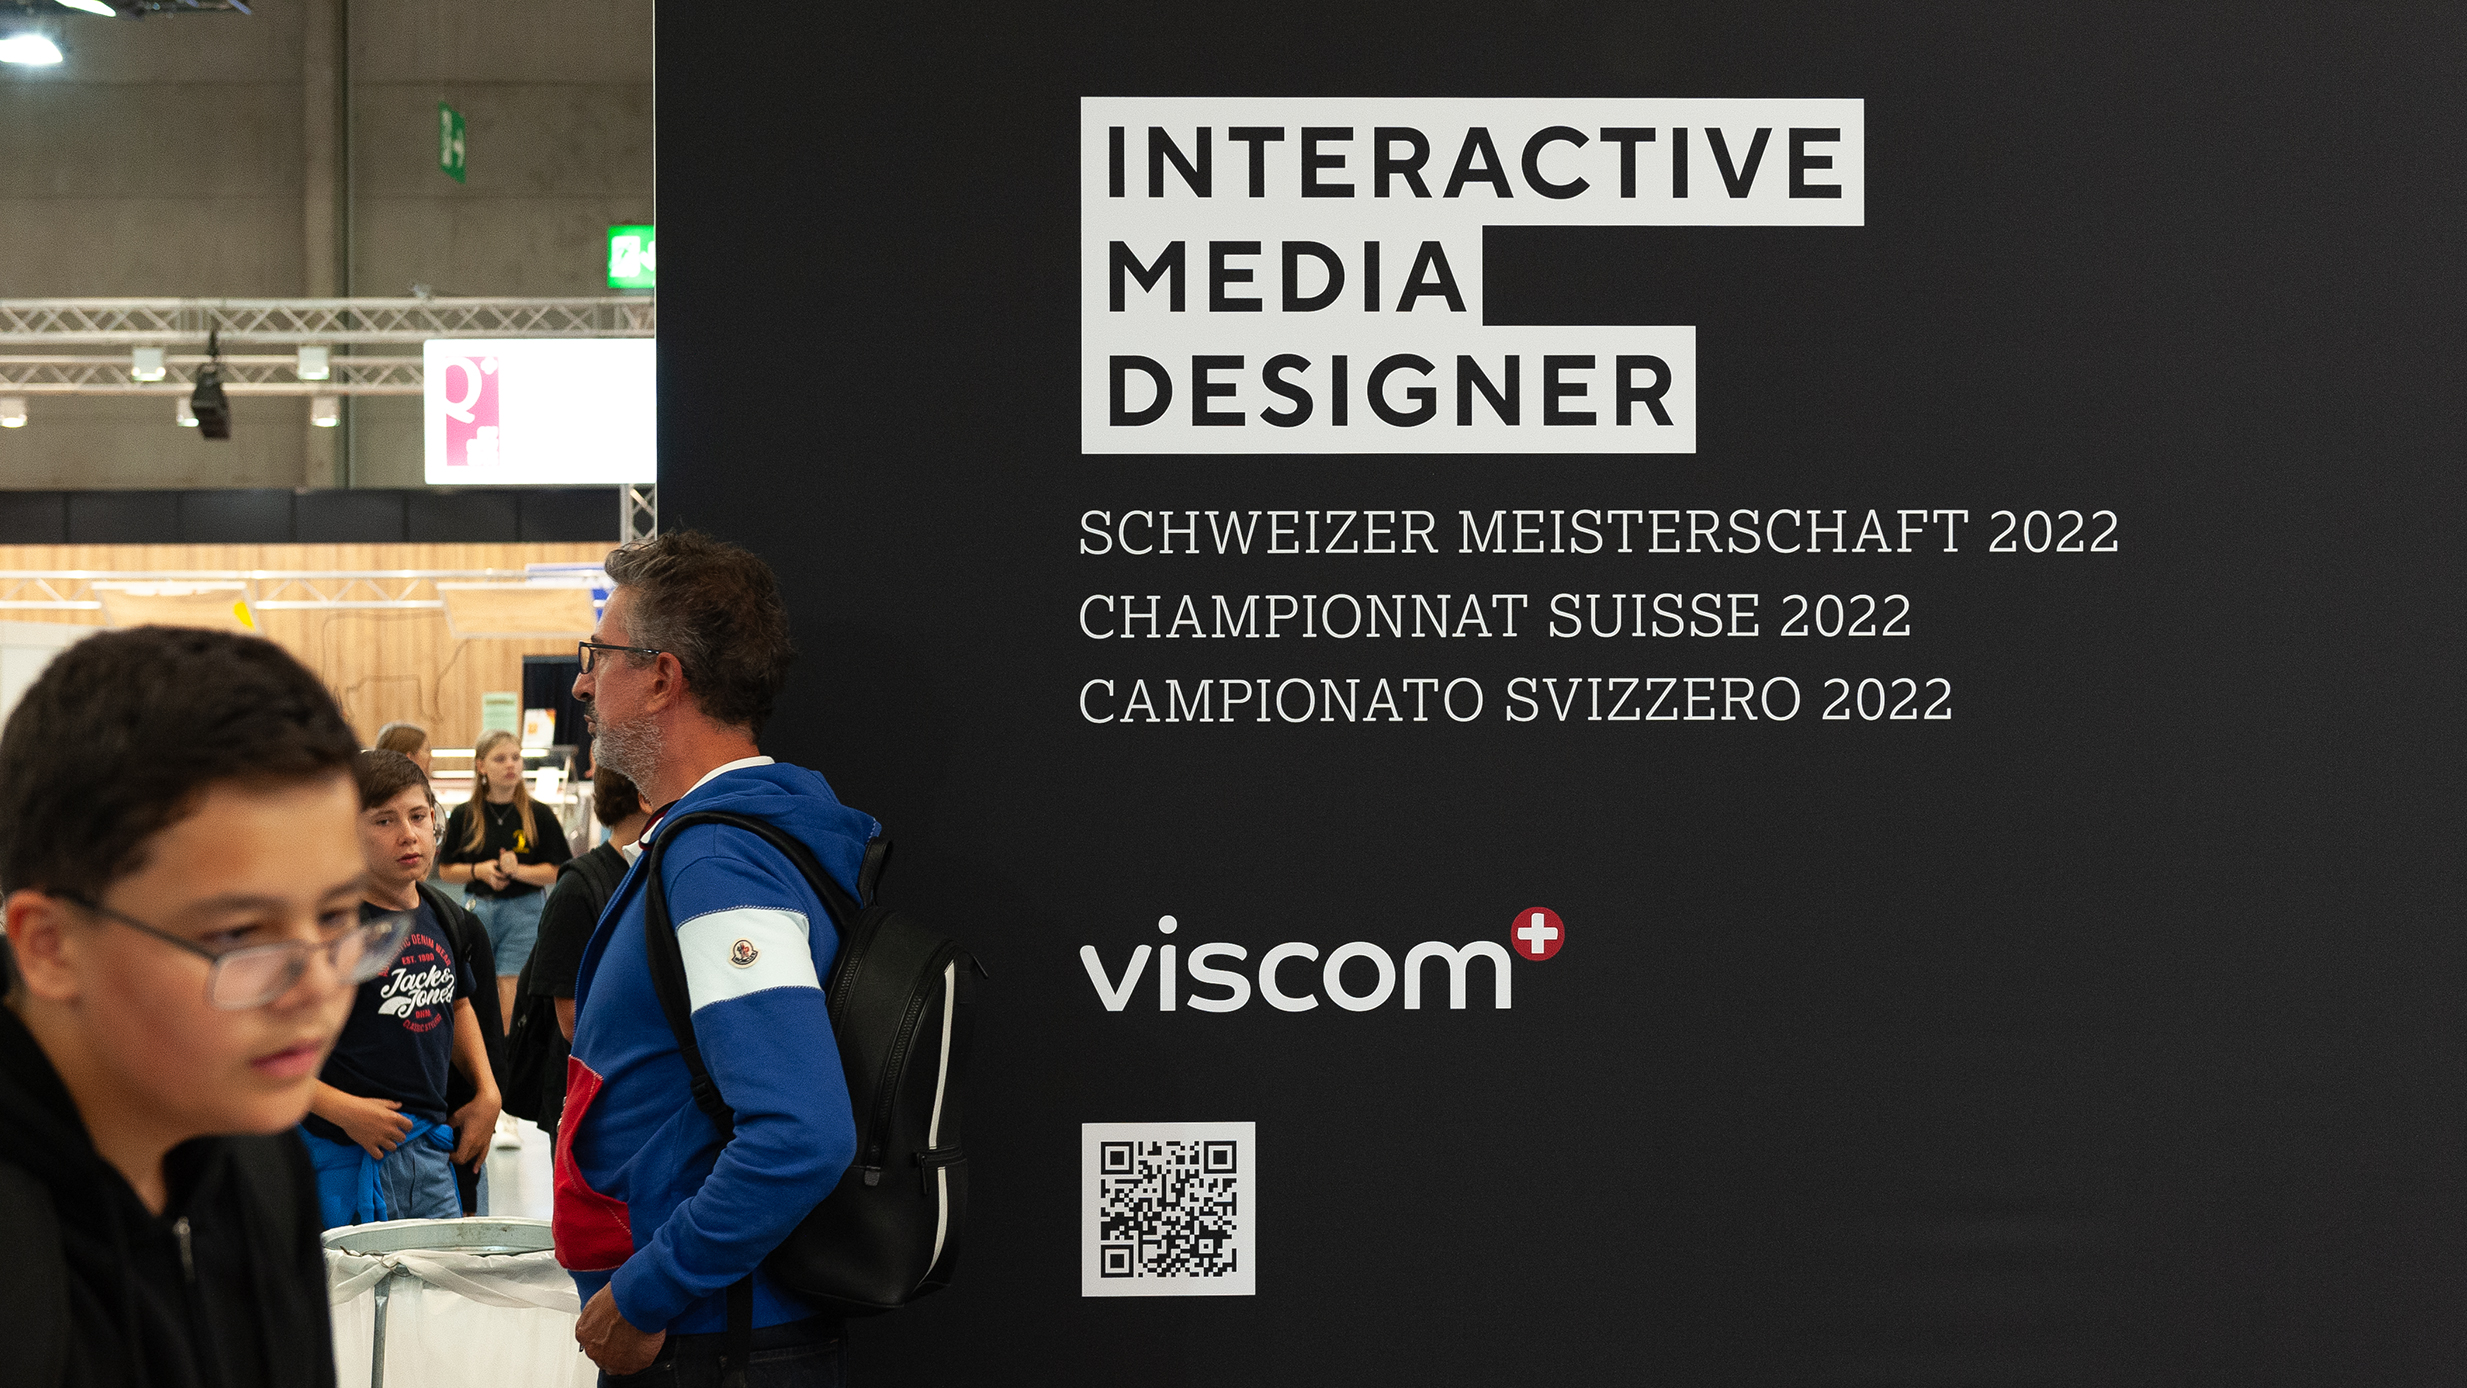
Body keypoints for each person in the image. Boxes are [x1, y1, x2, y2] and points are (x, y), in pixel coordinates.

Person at [0, 626, 371, 1387]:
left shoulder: (261, 1163)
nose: (317, 986)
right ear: (50, 946)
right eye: (238, 935)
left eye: (337, 917)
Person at [559, 532, 873, 1384]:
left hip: (713, 1342)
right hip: (719, 1332)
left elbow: (801, 1133)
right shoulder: (717, 845)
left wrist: (646, 1294)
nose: (583, 682)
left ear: (662, 677)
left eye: (598, 655)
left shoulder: (718, 863)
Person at [298, 750, 502, 1227]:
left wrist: (487, 1089)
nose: (408, 834)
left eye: (417, 816)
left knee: (440, 1275)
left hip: (429, 1156)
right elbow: (267, 1048)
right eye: (384, 821)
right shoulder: (330, 930)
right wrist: (343, 1110)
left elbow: (457, 1002)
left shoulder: (443, 916)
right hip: (347, 1155)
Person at [510, 766, 649, 1147]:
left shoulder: (655, 873)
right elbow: (571, 1020)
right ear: (644, 798)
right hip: (591, 1100)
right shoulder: (579, 888)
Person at [438, 728, 572, 1032]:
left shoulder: (538, 814)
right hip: (477, 910)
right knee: (474, 991)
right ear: (481, 766)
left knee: (510, 996)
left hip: (524, 911)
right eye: (500, 759)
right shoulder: (464, 815)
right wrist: (480, 870)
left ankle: (506, 1056)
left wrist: (517, 870)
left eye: (516, 757)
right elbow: (446, 870)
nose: (511, 764)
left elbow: (557, 870)